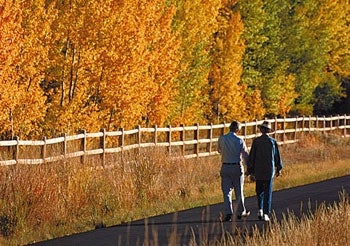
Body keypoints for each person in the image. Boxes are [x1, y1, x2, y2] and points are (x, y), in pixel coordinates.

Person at [247, 120, 283, 222]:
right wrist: (279, 168)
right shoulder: (272, 142)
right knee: (267, 191)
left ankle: (260, 209)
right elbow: (277, 157)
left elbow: (252, 156)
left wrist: (250, 169)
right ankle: (266, 213)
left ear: (261, 130)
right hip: (269, 169)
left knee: (259, 191)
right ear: (268, 130)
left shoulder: (256, 141)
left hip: (258, 169)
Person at [217, 120, 250, 222]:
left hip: (225, 166)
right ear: (237, 130)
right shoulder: (240, 140)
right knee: (239, 190)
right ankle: (241, 211)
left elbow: (219, 150)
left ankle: (228, 212)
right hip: (236, 166)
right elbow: (245, 155)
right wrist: (249, 167)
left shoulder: (222, 138)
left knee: (226, 192)